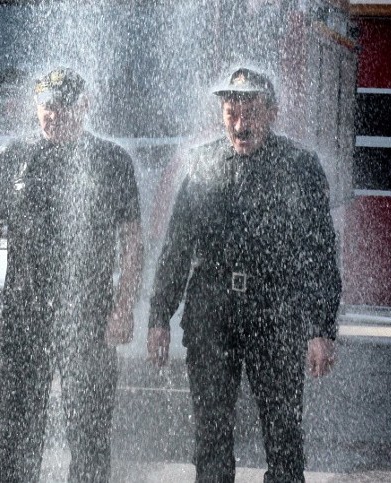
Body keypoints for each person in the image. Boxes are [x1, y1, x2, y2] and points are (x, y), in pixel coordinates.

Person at [147, 67, 341, 483]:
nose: (240, 123)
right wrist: (159, 316)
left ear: (272, 112)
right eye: (231, 110)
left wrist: (320, 327)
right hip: (211, 315)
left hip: (276, 313)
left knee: (284, 437)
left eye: (250, 111)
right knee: (211, 436)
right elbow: (177, 246)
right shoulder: (201, 164)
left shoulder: (300, 166)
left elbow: (320, 252)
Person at [0, 67, 143, 483]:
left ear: (83, 108)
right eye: (47, 107)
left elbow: (133, 242)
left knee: (88, 432)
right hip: (24, 316)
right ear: (37, 106)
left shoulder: (111, 161)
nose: (53, 115)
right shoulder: (12, 157)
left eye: (63, 107)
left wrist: (123, 309)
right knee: (16, 429)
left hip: (89, 319)